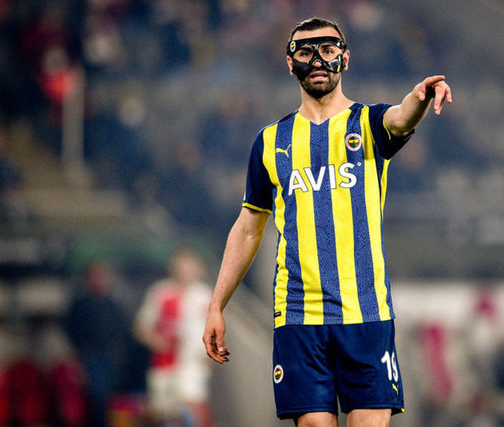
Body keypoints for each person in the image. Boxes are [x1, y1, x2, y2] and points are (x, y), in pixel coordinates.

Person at [202, 17, 452, 426]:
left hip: (365, 311)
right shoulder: (270, 141)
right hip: (298, 314)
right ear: (291, 64)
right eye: (305, 52)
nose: (317, 60)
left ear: (344, 59)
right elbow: (248, 227)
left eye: (328, 50)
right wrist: (217, 306)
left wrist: (420, 98)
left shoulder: (369, 123)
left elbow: (402, 117)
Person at [134, 247, 214, 426]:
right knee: (164, 413)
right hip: (165, 364)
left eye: (190, 266)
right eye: (182, 266)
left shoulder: (205, 295)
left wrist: (211, 353)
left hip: (193, 365)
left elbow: (215, 330)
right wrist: (156, 341)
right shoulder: (160, 292)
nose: (185, 271)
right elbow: (141, 327)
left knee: (192, 410)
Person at [63, 260, 131, 427]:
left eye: (102, 276)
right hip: (90, 359)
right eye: (95, 276)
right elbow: (71, 332)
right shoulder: (80, 305)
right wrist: (79, 356)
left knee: (112, 401)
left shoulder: (113, 305)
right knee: (96, 400)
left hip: (112, 360)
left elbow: (123, 332)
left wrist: (119, 354)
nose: (99, 280)